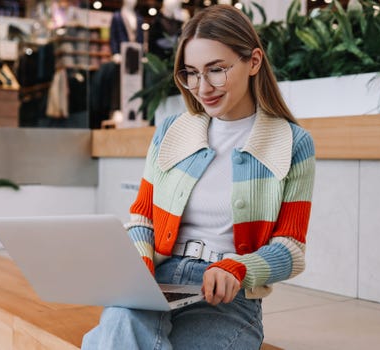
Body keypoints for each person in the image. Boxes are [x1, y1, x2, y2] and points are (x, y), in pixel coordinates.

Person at [82, 4, 315, 349]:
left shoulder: (291, 143)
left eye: (216, 70)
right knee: (120, 322)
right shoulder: (172, 132)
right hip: (158, 280)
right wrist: (140, 263)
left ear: (253, 62)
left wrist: (238, 269)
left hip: (227, 297)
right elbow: (142, 219)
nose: (202, 87)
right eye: (191, 73)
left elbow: (290, 250)